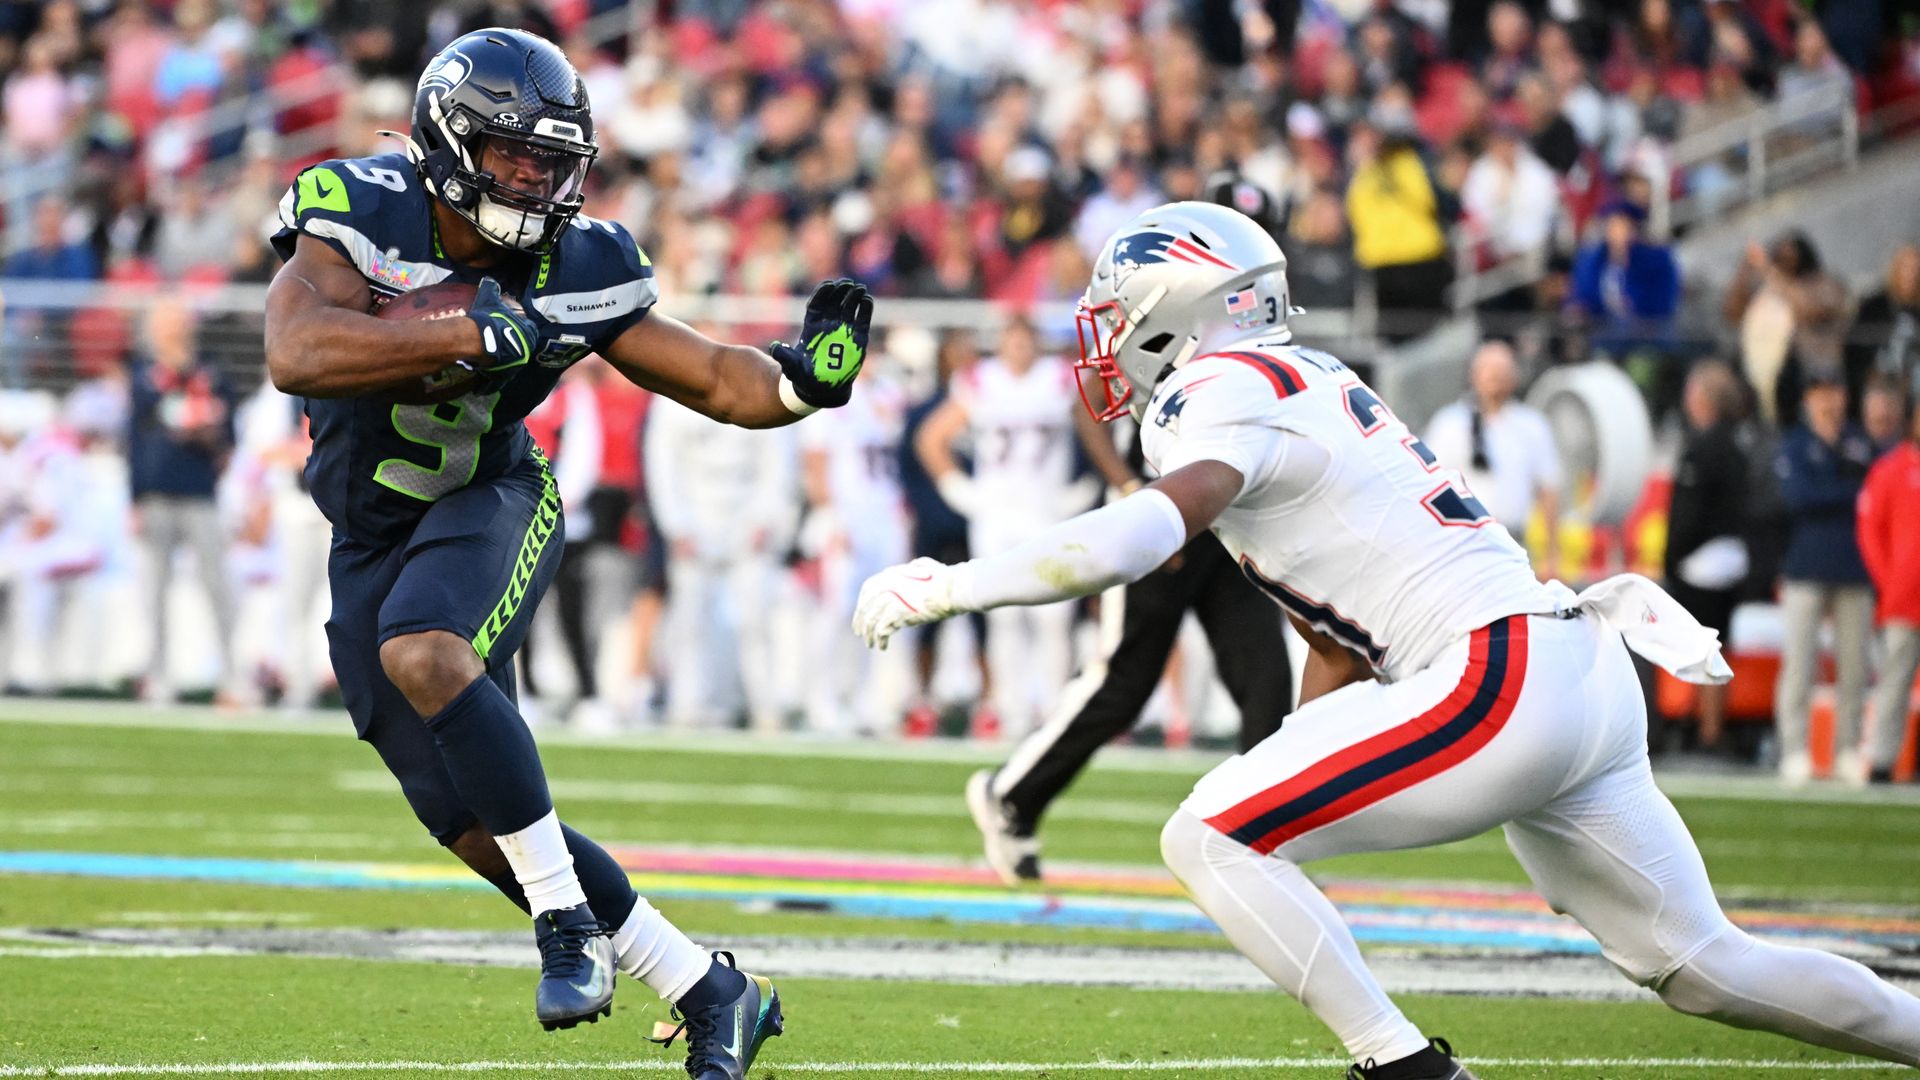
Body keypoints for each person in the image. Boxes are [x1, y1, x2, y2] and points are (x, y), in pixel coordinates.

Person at [854, 201, 1920, 1079]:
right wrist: (1285, 764)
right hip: (1570, 668)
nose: (1106, 334)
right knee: (1700, 964)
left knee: (1205, 835)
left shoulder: (1211, 391)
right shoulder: (1307, 377)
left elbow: (1139, 536)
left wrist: (956, 584)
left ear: (1178, 312)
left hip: (1498, 676)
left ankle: (1405, 1070)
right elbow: (1344, 638)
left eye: (1120, 310)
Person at [263, 29, 871, 1076]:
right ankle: (710, 990)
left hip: (493, 492)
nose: (538, 179)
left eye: (555, 159)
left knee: (424, 648)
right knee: (470, 823)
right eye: (514, 157)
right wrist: (456, 332)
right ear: (452, 141)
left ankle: (567, 930)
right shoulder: (358, 206)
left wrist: (800, 384)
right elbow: (295, 349)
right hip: (370, 535)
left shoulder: (578, 260)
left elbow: (717, 379)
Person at [966, 390, 1293, 884]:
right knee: (1125, 680)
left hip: (1227, 517)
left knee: (1266, 676)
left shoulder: (1240, 334)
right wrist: (1132, 491)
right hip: (1157, 513)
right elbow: (1088, 401)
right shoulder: (1149, 320)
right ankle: (1012, 794)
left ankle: (1261, 840)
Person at [916, 315, 1085, 738]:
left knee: (1054, 615)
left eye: (1026, 342)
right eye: (1012, 341)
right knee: (1003, 615)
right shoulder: (980, 380)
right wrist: (959, 489)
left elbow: (1100, 423)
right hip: (998, 513)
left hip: (1047, 510)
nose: (1019, 350)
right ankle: (1011, 709)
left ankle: (1054, 708)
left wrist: (1088, 485)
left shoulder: (1060, 378)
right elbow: (931, 438)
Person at [128, 300, 242, 704]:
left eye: (175, 321)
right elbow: (135, 438)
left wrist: (207, 434)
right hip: (158, 492)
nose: (171, 330)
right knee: (155, 589)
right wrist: (135, 498)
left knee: (217, 585)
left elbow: (228, 435)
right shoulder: (143, 372)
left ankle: (233, 674)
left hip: (199, 491)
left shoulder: (209, 371)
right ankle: (158, 674)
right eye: (165, 322)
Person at [1773, 374, 1878, 787]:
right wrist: (1848, 492)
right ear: (1809, 399)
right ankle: (1793, 748)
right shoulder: (1798, 444)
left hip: (1854, 566)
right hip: (1806, 565)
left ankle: (1848, 748)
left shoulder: (1858, 442)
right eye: (1822, 395)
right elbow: (1799, 498)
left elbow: (1872, 490)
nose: (1830, 403)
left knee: (1854, 665)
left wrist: (1836, 492)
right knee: (1799, 662)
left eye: (1836, 394)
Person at [1662, 361, 1752, 753]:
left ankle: (1704, 729)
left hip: (1703, 561)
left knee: (1702, 645)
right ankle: (1708, 725)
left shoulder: (1702, 446)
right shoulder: (1736, 444)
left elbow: (1688, 513)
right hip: (1731, 557)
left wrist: (1671, 556)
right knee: (1719, 645)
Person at [1422, 341, 1563, 577]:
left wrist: (1552, 553)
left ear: (1515, 377)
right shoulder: (1449, 424)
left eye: (1503, 370)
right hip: (1462, 543)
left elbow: (1548, 489)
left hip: (1514, 541)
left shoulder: (1531, 425)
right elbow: (1430, 486)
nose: (1496, 376)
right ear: (1473, 375)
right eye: (1490, 369)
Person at [1858, 390, 1920, 784]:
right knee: (1894, 682)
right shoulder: (1892, 468)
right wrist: (1890, 579)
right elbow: (1870, 531)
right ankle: (1882, 760)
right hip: (1905, 598)